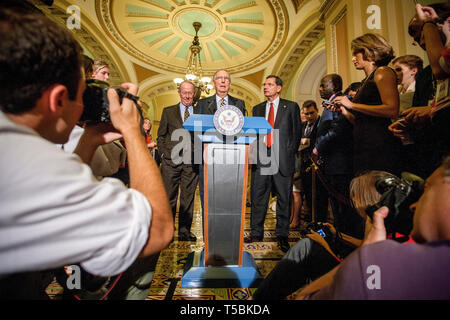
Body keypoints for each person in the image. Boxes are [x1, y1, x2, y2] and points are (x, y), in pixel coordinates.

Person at [0, 9, 172, 297]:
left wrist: (89, 139)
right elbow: (157, 229)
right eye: (82, 96)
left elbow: (50, 193)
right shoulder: (30, 163)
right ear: (57, 100)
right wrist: (133, 133)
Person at [301, 156, 450, 300]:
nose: (414, 206)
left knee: (306, 247)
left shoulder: (390, 258)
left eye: (427, 189)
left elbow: (306, 296)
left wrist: (368, 255)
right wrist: (342, 237)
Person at [252, 170, 396, 300]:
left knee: (306, 247)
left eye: (357, 196)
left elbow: (360, 272)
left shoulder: (375, 222)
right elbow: (365, 245)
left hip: (357, 285)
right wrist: (338, 235)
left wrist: (323, 244)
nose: (354, 201)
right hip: (361, 279)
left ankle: (258, 301)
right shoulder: (385, 219)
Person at [246, 75, 302, 253]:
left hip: (282, 160)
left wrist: (287, 153)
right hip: (261, 159)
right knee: (258, 197)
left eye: (269, 84)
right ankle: (256, 232)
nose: (265, 87)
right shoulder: (257, 108)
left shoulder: (291, 107)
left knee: (284, 199)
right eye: (265, 84)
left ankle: (282, 235)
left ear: (278, 88)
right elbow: (254, 135)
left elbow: (296, 134)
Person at [333, 33, 401, 177]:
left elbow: (392, 109)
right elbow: (361, 121)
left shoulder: (383, 72)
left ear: (368, 51)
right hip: (363, 144)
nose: (353, 59)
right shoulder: (366, 80)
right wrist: (345, 111)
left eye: (355, 53)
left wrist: (351, 105)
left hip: (379, 144)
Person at [312, 74, 363, 238]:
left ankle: (346, 240)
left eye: (322, 84)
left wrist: (317, 148)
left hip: (340, 163)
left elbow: (337, 130)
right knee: (335, 207)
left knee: (343, 207)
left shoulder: (343, 100)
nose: (320, 88)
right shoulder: (331, 103)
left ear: (334, 86)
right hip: (331, 163)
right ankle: (337, 236)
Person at [194, 69, 246, 218]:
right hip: (208, 158)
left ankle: (229, 232)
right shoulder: (202, 104)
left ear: (230, 84)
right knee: (208, 199)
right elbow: (196, 132)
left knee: (230, 199)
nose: (223, 81)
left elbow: (243, 131)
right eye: (219, 78)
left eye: (226, 79)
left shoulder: (239, 104)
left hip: (232, 159)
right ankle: (209, 236)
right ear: (213, 83)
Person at [157, 81, 199, 241]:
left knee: (188, 198)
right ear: (179, 93)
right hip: (170, 161)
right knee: (169, 197)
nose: (187, 95)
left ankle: (184, 232)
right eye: (184, 92)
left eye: (190, 92)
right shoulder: (168, 112)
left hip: (191, 163)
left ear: (193, 93)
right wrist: (164, 154)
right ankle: (166, 231)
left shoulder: (198, 112)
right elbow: (161, 135)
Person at [298, 100, 321, 223]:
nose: (309, 116)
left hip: (318, 166)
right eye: (306, 114)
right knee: (307, 195)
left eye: (312, 113)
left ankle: (317, 223)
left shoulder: (321, 123)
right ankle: (310, 222)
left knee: (317, 197)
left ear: (317, 110)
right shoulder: (302, 125)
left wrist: (308, 142)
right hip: (304, 164)